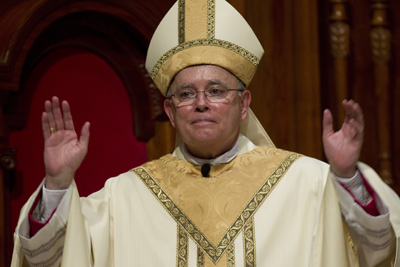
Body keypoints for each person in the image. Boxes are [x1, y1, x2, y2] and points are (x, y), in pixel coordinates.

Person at [10, 0, 400, 266]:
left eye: (215, 91)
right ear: (169, 110)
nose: (201, 103)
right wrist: (58, 183)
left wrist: (348, 176)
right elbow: (48, 258)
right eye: (185, 94)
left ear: (244, 102)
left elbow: (380, 250)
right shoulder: (125, 197)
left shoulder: (308, 183)